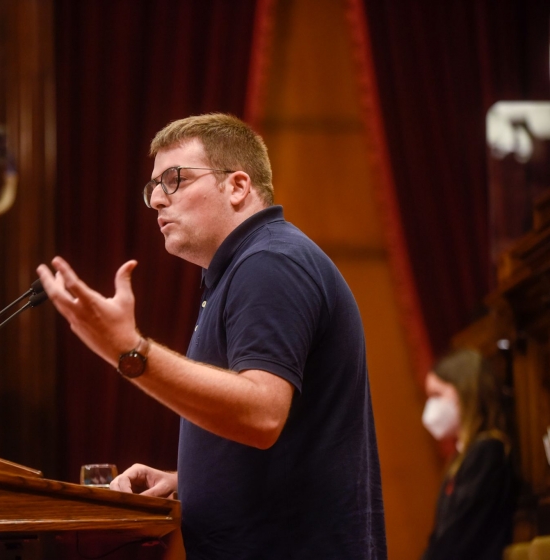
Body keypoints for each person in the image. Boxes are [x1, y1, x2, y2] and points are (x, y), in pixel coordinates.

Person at [37, 113, 386, 559]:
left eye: (174, 180)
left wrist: (130, 351)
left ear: (237, 186)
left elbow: (261, 414)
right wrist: (190, 481)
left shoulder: (270, 263)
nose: (156, 201)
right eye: (153, 188)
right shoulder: (243, 269)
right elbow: (291, 441)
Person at [421, 348, 515, 560]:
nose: (431, 407)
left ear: (466, 391)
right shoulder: (462, 457)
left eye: (437, 395)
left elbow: (460, 535)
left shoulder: (487, 452)